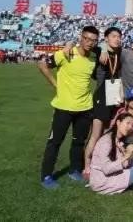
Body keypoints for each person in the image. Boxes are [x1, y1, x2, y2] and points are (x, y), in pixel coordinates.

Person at [38, 26, 99, 188]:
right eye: (86, 39)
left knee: (79, 142)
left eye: (93, 40)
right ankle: (46, 176)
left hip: (85, 108)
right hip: (64, 107)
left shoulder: (94, 57)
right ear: (81, 37)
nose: (89, 43)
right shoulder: (67, 53)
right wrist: (55, 84)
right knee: (55, 142)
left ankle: (74, 170)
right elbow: (42, 64)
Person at [85, 27, 124, 181]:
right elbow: (87, 45)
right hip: (101, 95)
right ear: (106, 38)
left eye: (119, 36)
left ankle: (101, 162)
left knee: (106, 133)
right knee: (95, 134)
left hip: (113, 95)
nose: (117, 39)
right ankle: (86, 166)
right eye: (114, 36)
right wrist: (102, 48)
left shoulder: (119, 52)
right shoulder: (99, 50)